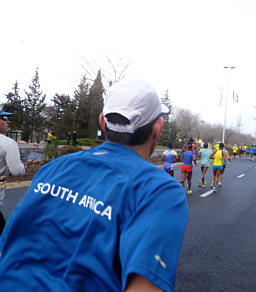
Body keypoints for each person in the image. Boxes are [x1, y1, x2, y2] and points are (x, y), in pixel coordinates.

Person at [0, 80, 189, 292]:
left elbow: (7, 247)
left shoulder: (54, 168)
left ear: (102, 121)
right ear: (158, 126)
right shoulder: (159, 190)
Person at [0, 110, 25, 234]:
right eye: (4, 118)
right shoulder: (8, 144)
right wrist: (22, 167)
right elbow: (16, 171)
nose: (8, 121)